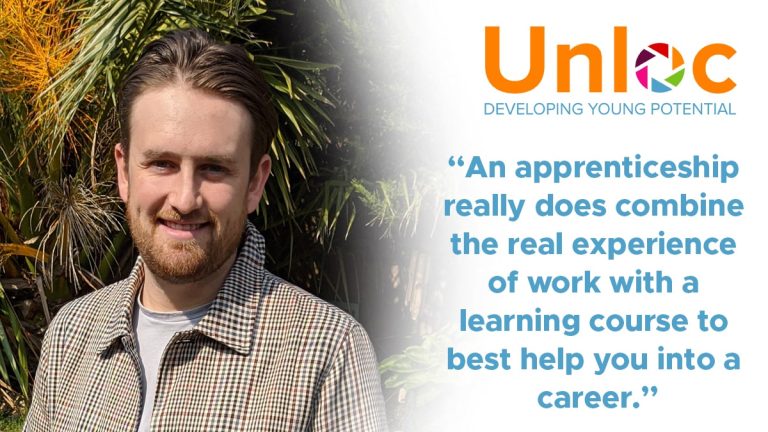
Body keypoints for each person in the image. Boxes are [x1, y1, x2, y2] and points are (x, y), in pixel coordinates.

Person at [24, 28, 387, 431]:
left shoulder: (326, 351)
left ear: (254, 182)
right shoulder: (71, 336)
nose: (184, 199)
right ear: (124, 172)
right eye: (161, 163)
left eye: (214, 168)